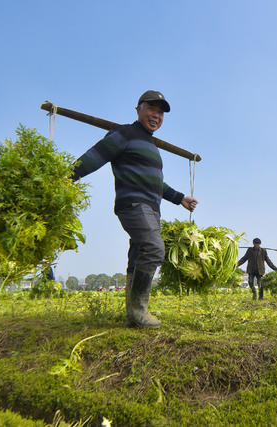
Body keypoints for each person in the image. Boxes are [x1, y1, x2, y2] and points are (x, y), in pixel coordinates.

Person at [71, 90, 198, 327]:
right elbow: (94, 156)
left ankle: (133, 313)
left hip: (151, 208)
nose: (156, 116)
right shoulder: (124, 134)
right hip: (134, 205)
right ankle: (140, 311)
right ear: (138, 108)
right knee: (153, 248)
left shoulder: (150, 145)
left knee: (139, 255)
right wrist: (66, 177)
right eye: (152, 109)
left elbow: (155, 182)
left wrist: (180, 198)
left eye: (160, 113)